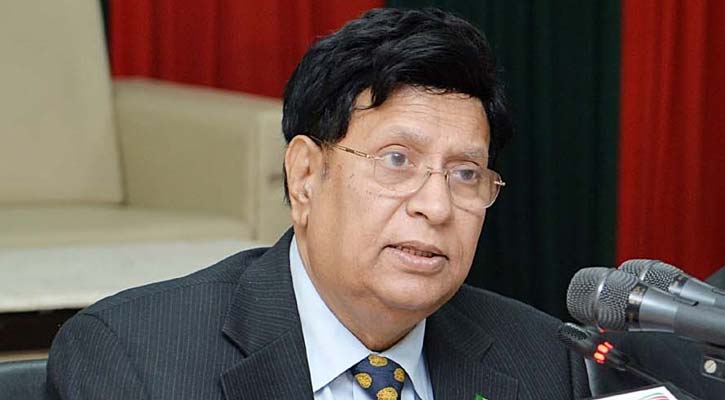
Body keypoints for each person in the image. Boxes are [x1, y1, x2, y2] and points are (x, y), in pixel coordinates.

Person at [47, 8, 590, 400]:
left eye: (465, 173)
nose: (437, 206)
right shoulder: (134, 360)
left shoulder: (545, 361)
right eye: (397, 160)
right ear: (305, 175)